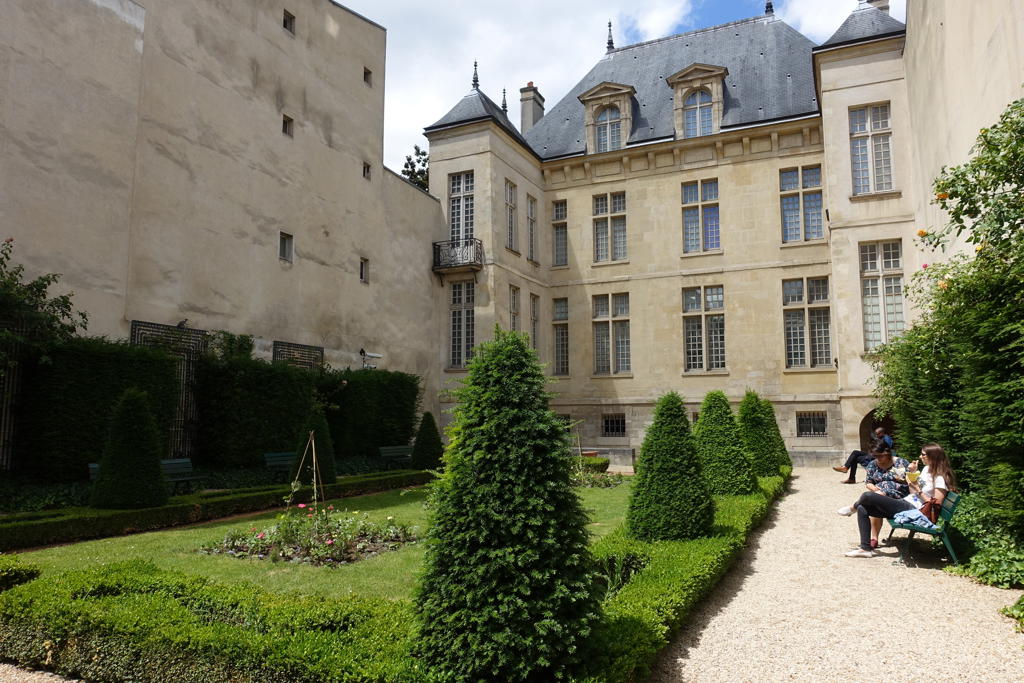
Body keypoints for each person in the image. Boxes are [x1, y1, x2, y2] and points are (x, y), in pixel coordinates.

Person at [837, 443, 957, 558]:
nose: (920, 457)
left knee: (868, 496)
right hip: (907, 502)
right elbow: (912, 491)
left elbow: (936, 505)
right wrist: (912, 475)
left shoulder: (940, 477)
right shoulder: (926, 469)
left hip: (916, 509)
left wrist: (919, 491)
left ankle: (852, 508)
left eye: (923, 454)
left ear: (933, 456)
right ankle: (865, 549)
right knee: (863, 508)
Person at [859, 445, 910, 548]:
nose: (877, 459)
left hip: (898, 497)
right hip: (879, 494)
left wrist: (901, 478)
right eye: (875, 456)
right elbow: (868, 482)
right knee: (874, 500)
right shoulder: (872, 464)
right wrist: (875, 489)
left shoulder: (900, 463)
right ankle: (874, 538)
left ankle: (854, 506)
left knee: (874, 500)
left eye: (880, 456)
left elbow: (908, 481)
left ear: (887, 453)